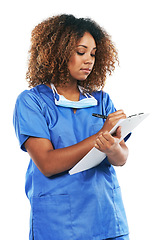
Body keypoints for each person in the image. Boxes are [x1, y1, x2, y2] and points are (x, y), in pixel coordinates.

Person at [13, 14, 131, 240]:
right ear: (58, 52)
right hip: (59, 224)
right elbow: (47, 164)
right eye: (81, 52)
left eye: (93, 54)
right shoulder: (32, 102)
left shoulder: (101, 100)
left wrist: (112, 147)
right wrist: (101, 134)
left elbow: (121, 157)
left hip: (107, 218)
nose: (89, 60)